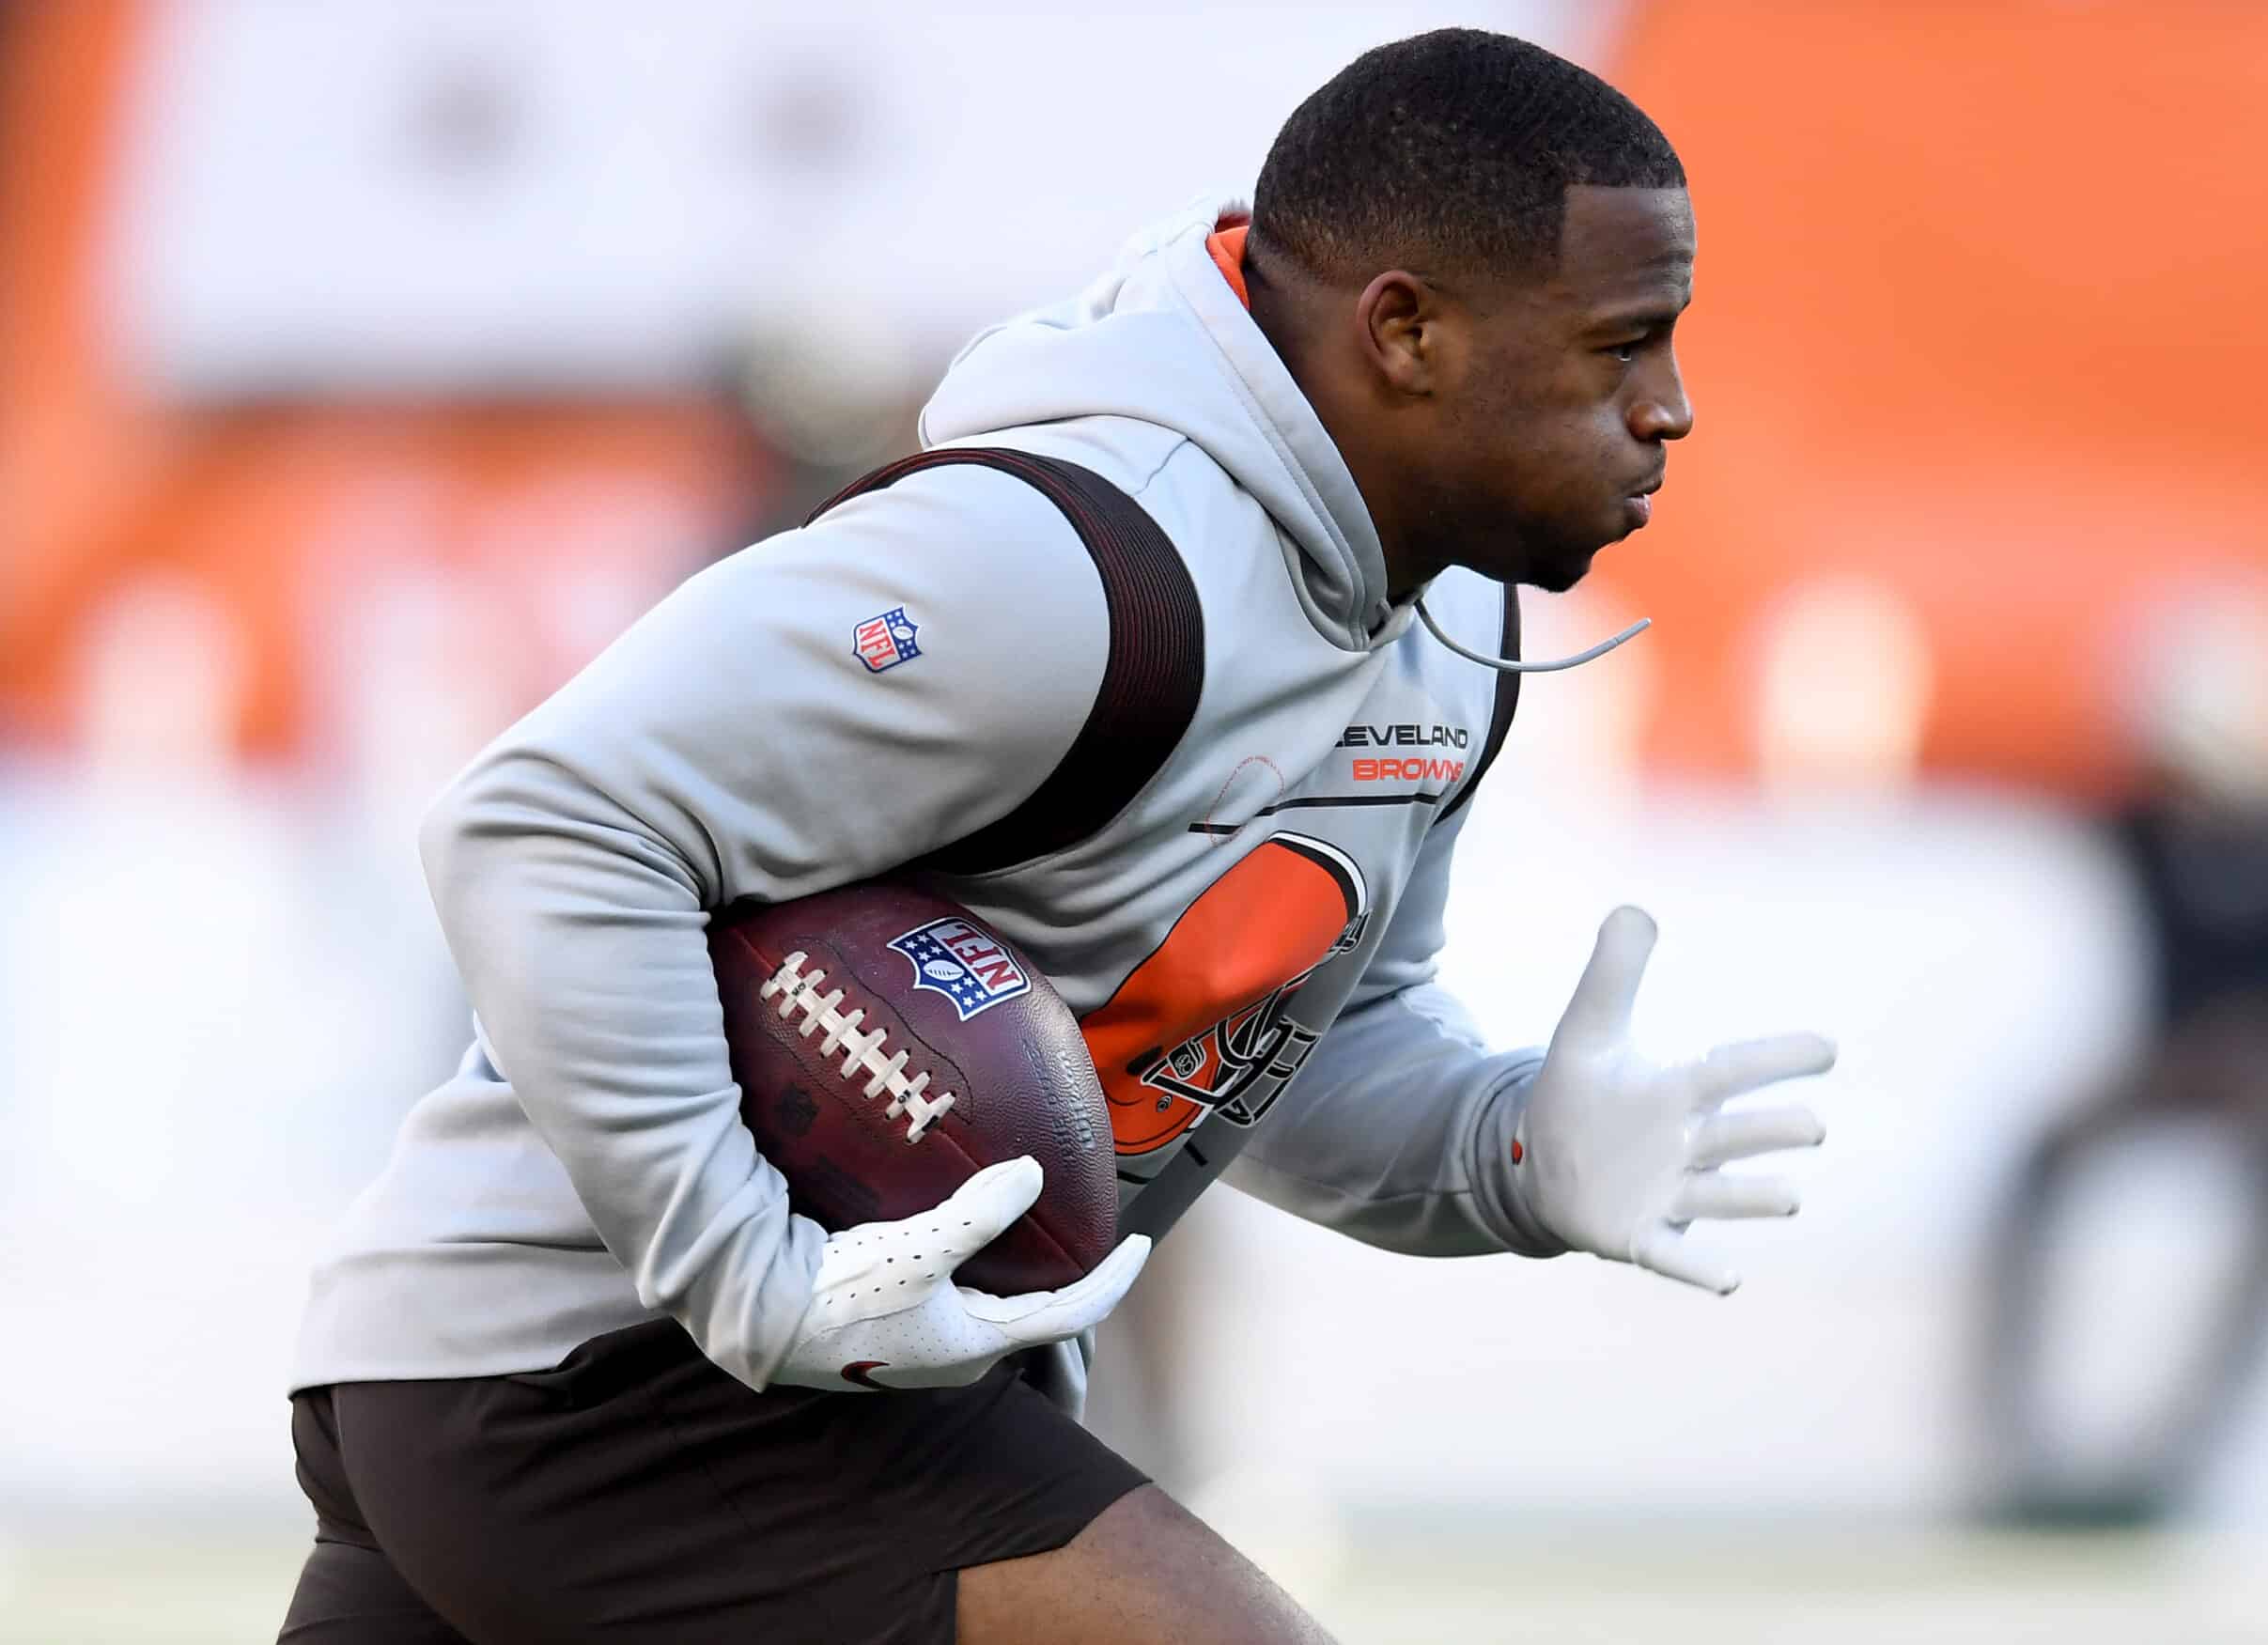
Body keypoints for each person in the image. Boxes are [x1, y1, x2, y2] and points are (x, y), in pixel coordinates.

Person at [280, 29, 1834, 1644]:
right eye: (1620, 346)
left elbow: (1282, 1058)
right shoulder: (1071, 567)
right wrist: (752, 1275)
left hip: (629, 1373)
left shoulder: (1447, 626)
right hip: (616, 1373)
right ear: (1407, 331)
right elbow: (547, 817)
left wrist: (1508, 1150)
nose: (1671, 409)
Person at [1977, 600, 2268, 1526]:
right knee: (2044, 1153)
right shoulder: (2139, 829)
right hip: (2173, 1057)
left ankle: (2188, 1446)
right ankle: (2022, 1438)